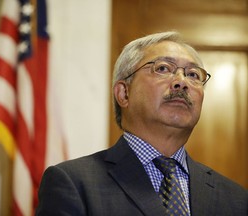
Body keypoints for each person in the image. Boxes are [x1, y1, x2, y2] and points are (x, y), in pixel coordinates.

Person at [36, 31, 248, 216]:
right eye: (163, 68)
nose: (181, 82)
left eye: (193, 74)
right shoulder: (74, 183)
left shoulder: (236, 198)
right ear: (124, 93)